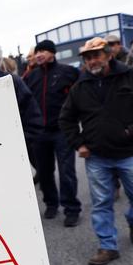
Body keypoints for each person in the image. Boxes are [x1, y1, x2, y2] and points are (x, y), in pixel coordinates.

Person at [59, 37, 133, 265]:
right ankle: (107, 246)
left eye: (96, 55)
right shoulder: (79, 87)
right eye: (87, 57)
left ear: (109, 55)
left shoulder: (132, 76)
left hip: (131, 152)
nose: (92, 61)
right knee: (101, 202)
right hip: (97, 156)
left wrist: (131, 131)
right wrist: (79, 144)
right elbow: (66, 119)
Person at [25, 39, 82, 226]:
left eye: (43, 51)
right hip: (39, 134)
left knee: (67, 171)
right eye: (37, 51)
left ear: (53, 53)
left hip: (62, 131)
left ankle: (71, 209)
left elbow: (83, 92)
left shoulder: (69, 72)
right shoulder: (30, 77)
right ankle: (51, 203)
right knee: (44, 172)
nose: (39, 54)